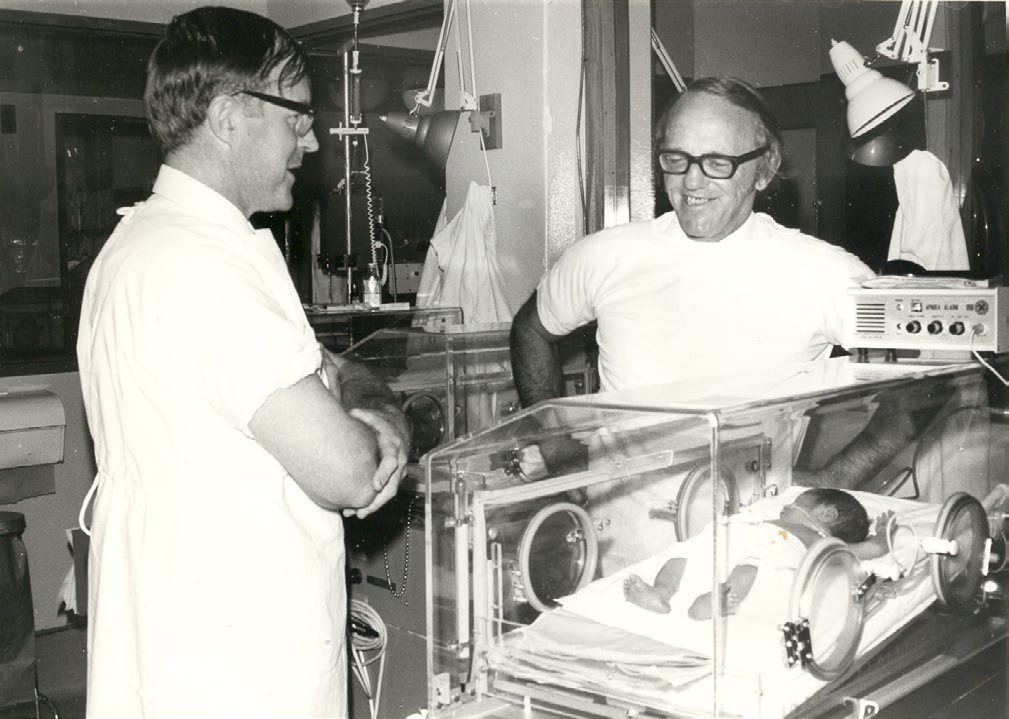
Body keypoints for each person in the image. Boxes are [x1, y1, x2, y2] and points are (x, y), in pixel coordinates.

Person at [76, 8, 409, 718]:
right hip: (236, 668)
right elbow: (349, 468)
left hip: (179, 641)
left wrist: (343, 382)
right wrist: (383, 420)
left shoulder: (143, 246)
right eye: (298, 116)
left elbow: (317, 363)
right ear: (230, 115)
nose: (312, 139)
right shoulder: (203, 268)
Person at [510, 76, 874, 408]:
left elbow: (922, 382)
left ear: (765, 167)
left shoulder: (825, 274)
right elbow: (531, 330)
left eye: (717, 162)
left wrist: (833, 475)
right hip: (619, 482)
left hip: (755, 482)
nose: (692, 182)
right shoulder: (604, 255)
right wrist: (552, 441)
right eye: (677, 158)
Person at [622, 488, 892, 619]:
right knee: (680, 557)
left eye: (795, 503)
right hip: (726, 547)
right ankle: (660, 593)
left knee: (748, 568)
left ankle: (715, 601)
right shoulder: (769, 519)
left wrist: (883, 533)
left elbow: (872, 549)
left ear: (826, 514)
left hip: (764, 554)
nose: (785, 506)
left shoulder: (820, 541)